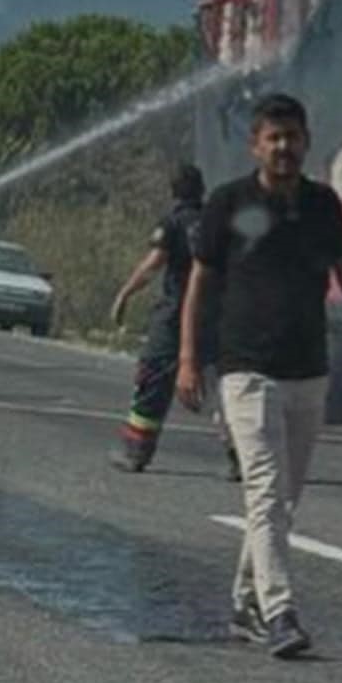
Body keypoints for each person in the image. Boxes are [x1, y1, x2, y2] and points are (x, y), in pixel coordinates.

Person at [178, 92, 342, 659]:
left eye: (293, 137)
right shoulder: (228, 204)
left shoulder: (323, 205)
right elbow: (199, 286)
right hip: (246, 369)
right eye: (273, 138)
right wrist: (186, 359)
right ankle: (279, 612)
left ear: (306, 142)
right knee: (265, 489)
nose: (284, 147)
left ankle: (245, 600)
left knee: (283, 500)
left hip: (308, 370)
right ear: (255, 144)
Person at [110, 162, 237, 476]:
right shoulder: (216, 222)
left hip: (176, 316)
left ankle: (136, 450)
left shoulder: (173, 224)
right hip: (218, 316)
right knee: (226, 390)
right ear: (202, 189)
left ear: (173, 191)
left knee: (152, 377)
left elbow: (153, 264)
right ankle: (241, 457)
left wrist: (124, 293)